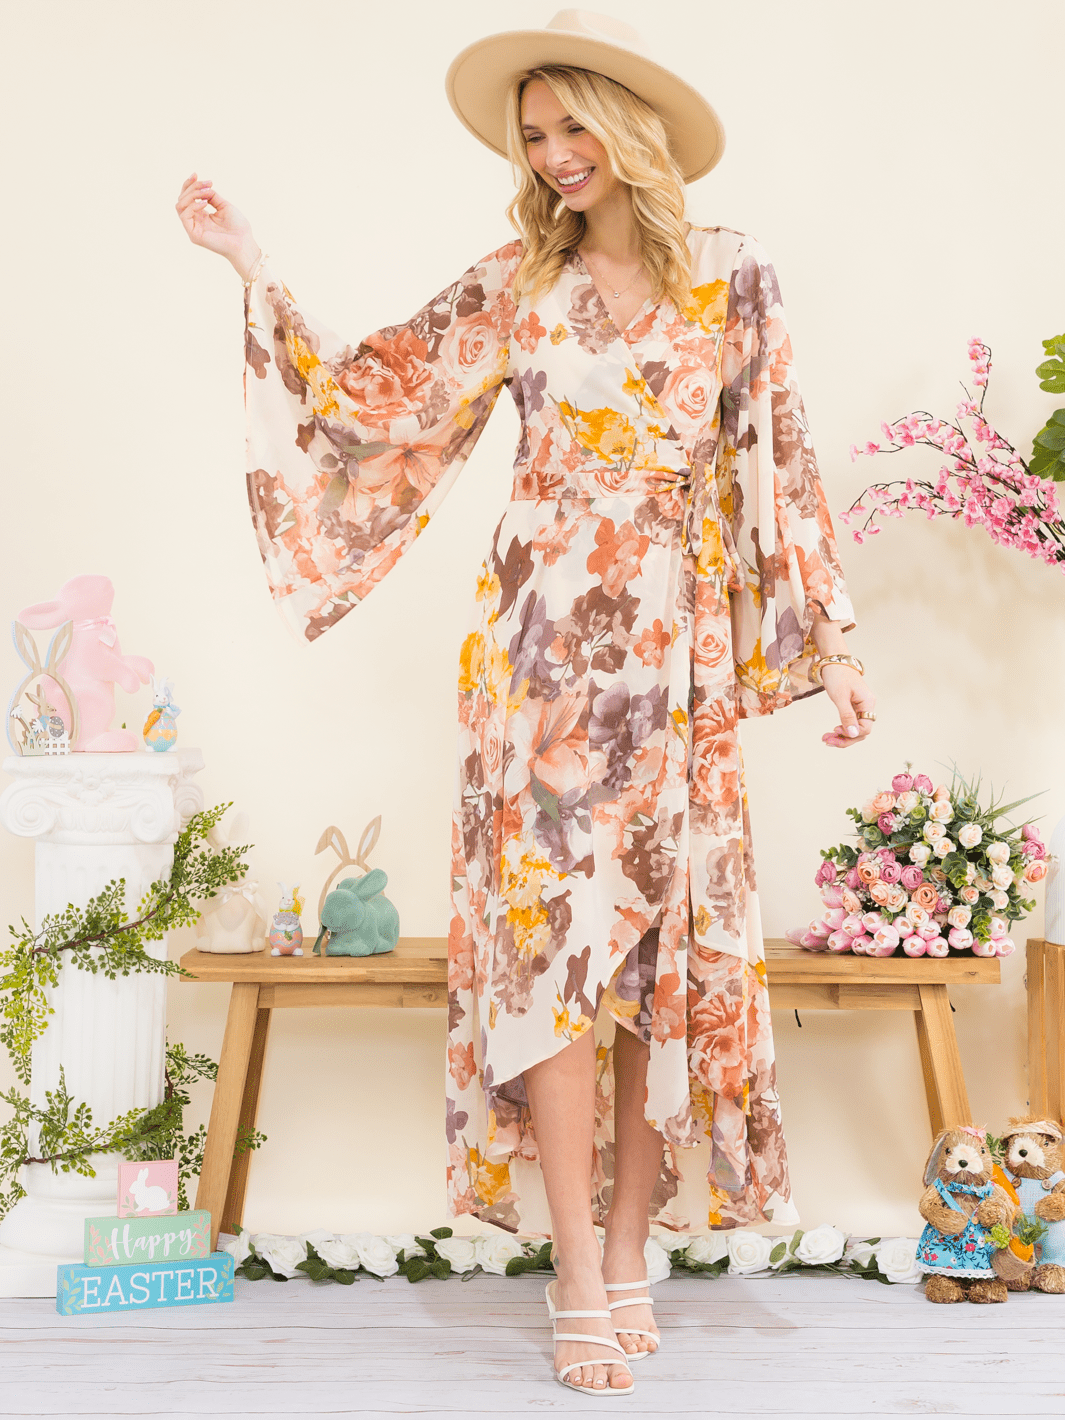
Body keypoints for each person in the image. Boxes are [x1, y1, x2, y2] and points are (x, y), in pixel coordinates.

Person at [176, 10, 876, 1396]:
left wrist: (833, 648)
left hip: (677, 662)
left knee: (654, 960)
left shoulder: (733, 276)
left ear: (631, 129)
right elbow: (375, 397)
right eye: (535, 133)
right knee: (553, 959)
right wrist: (255, 267)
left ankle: (628, 1250)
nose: (555, 153)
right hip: (540, 658)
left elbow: (779, 460)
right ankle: (573, 1269)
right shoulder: (517, 281)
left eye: (574, 125)